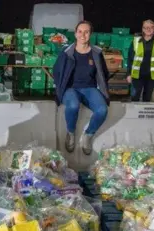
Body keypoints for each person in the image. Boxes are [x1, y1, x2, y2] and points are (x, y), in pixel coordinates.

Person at [53, 20, 109, 155]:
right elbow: (56, 71)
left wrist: (101, 88)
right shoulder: (67, 53)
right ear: (75, 33)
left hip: (90, 88)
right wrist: (61, 88)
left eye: (86, 32)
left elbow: (104, 72)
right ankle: (71, 133)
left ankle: (88, 135)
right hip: (71, 88)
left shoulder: (96, 53)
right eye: (80, 31)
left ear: (91, 34)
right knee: (73, 106)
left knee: (102, 110)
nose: (83, 35)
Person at [126, 20, 154, 102]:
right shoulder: (135, 41)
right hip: (137, 75)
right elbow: (130, 59)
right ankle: (134, 114)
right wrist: (128, 74)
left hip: (151, 76)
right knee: (134, 97)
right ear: (143, 29)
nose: (148, 29)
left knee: (147, 99)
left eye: (151, 27)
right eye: (146, 27)